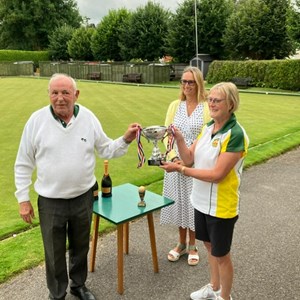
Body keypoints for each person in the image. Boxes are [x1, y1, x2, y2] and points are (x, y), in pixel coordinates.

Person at [14, 73, 140, 300]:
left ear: (76, 94)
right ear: (49, 95)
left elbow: (106, 149)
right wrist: (23, 199)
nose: (60, 98)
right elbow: (23, 163)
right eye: (54, 92)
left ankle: (78, 285)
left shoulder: (88, 118)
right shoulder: (36, 121)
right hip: (51, 201)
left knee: (81, 246)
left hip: (83, 197)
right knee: (53, 253)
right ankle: (57, 293)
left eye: (65, 92)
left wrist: (126, 139)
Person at [160, 82, 249, 300]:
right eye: (210, 99)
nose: (211, 104)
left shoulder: (235, 134)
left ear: (231, 104)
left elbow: (217, 175)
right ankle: (213, 286)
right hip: (199, 201)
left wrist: (179, 169)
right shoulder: (208, 127)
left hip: (221, 206)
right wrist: (180, 139)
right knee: (209, 247)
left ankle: (225, 296)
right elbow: (189, 158)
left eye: (217, 100)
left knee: (222, 255)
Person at [160, 66, 210, 266]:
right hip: (175, 164)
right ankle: (181, 244)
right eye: (184, 81)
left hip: (195, 164)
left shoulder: (206, 107)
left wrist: (190, 158)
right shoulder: (175, 105)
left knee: (193, 205)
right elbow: (166, 133)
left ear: (199, 83)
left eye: (191, 82)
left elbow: (207, 135)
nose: (187, 85)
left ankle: (193, 245)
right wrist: (173, 157)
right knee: (179, 203)